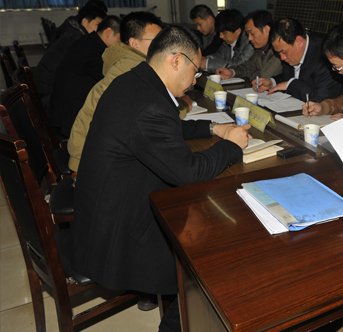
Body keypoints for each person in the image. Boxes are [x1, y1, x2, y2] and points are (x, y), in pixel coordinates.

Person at [72, 26, 251, 332]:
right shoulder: (150, 105)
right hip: (119, 236)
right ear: (176, 60)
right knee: (213, 257)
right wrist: (231, 146)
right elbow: (188, 172)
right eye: (195, 71)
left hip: (106, 212)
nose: (195, 80)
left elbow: (160, 131)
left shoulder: (134, 82)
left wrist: (212, 128)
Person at [68, 11, 191, 172]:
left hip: (92, 150)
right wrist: (184, 106)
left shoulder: (124, 59)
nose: (163, 46)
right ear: (134, 43)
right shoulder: (132, 69)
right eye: (156, 41)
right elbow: (156, 115)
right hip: (91, 162)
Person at [50, 15, 121, 138]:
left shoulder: (89, 41)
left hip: (64, 108)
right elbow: (108, 77)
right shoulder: (92, 50)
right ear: (108, 32)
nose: (120, 43)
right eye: (120, 38)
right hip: (68, 119)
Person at [33, 4, 107, 109]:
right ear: (84, 21)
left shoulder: (72, 29)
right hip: (48, 91)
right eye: (97, 25)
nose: (99, 30)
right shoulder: (76, 39)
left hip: (43, 83)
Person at [254, 18, 343, 102]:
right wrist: (272, 82)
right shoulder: (290, 54)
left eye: (283, 52)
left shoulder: (325, 56)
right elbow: (288, 77)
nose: (282, 58)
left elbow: (322, 98)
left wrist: (290, 85)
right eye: (278, 53)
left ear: (299, 42)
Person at [216, 10, 283, 80]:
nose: (249, 38)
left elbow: (263, 77)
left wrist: (249, 73)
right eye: (248, 34)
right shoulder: (260, 49)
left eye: (252, 33)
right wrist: (231, 72)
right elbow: (246, 66)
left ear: (266, 30)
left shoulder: (279, 51)